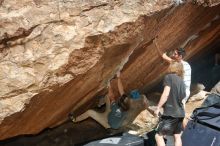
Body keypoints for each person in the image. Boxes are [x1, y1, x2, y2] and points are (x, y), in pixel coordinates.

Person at [70, 72, 148, 129]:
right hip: (111, 113)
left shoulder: (115, 107)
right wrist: (118, 77)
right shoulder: (130, 106)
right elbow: (122, 91)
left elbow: (112, 96)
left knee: (90, 112)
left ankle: (75, 120)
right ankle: (100, 104)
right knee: (107, 97)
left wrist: (108, 84)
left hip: (108, 123)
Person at [154, 62, 186, 146]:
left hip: (171, 113)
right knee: (177, 136)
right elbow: (182, 100)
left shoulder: (169, 77)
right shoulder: (182, 82)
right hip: (180, 113)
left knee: (158, 136)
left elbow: (166, 93)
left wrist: (158, 108)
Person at [154, 39, 191, 107]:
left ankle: (157, 109)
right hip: (186, 92)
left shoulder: (177, 64)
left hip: (179, 92)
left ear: (180, 56)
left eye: (175, 54)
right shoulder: (187, 64)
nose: (173, 55)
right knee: (181, 108)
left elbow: (163, 56)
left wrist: (156, 44)